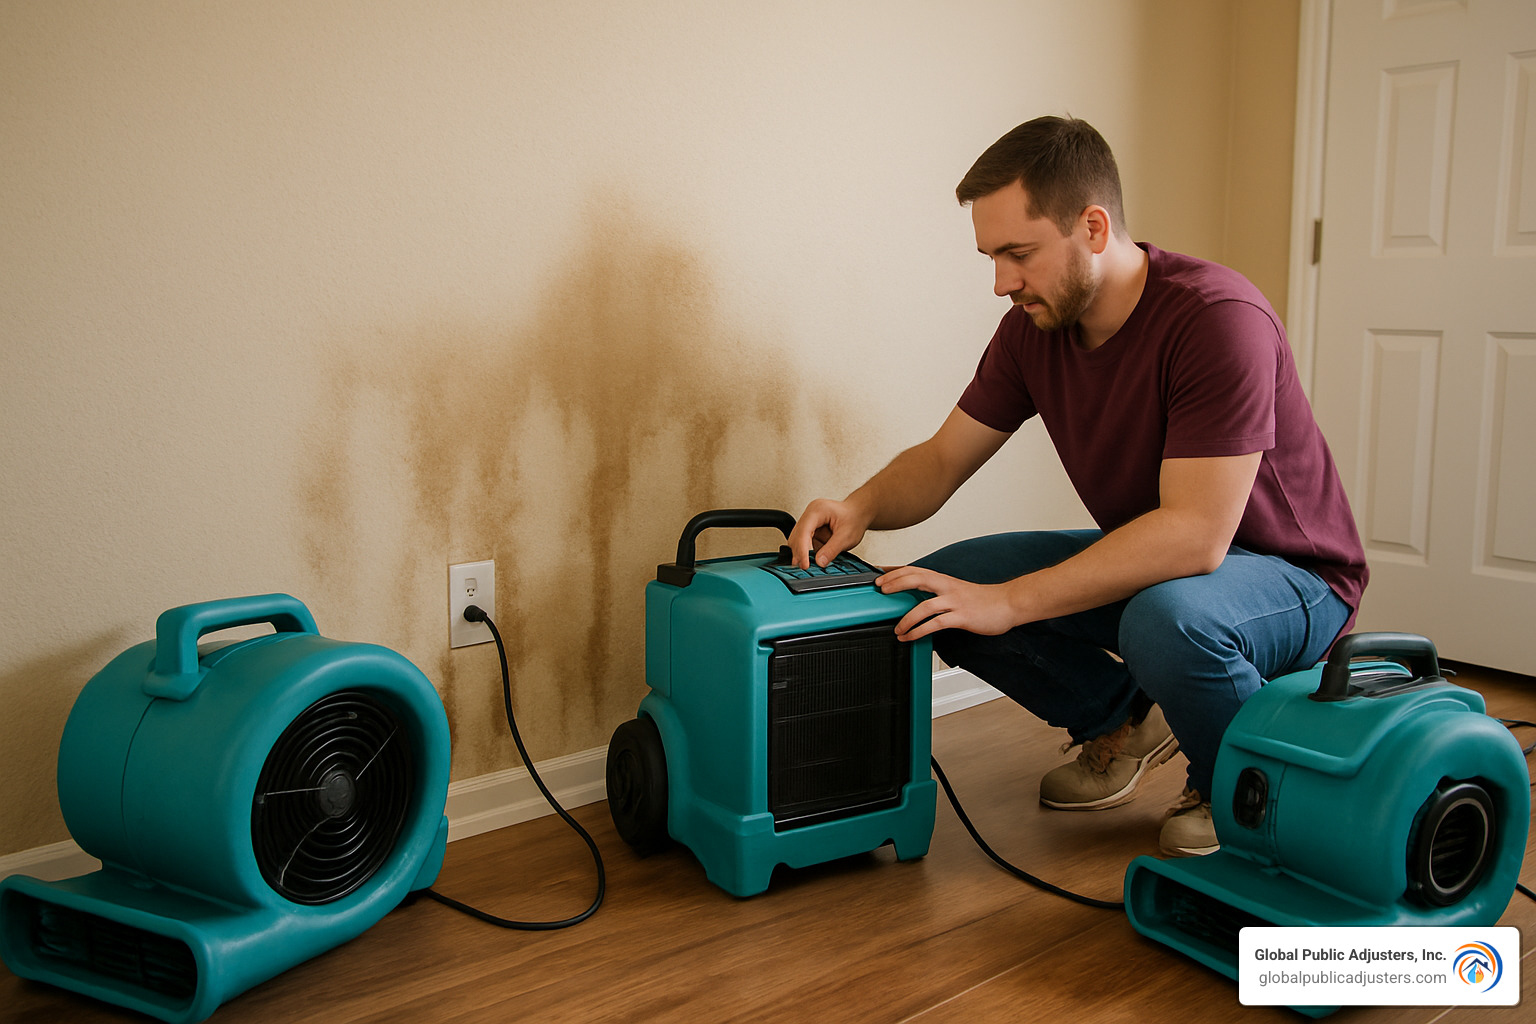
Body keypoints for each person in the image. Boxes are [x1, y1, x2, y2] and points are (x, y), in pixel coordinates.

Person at [787, 116, 1368, 857]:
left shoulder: (1218, 320)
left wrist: (1012, 602)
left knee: (1164, 619)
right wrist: (859, 504)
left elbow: (1197, 534)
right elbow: (941, 459)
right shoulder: (1033, 329)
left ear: (1093, 227)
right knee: (945, 585)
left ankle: (1248, 785)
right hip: (1171, 566)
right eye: (991, 256)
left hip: (1295, 576)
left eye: (1018, 254)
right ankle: (1120, 725)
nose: (1001, 282)